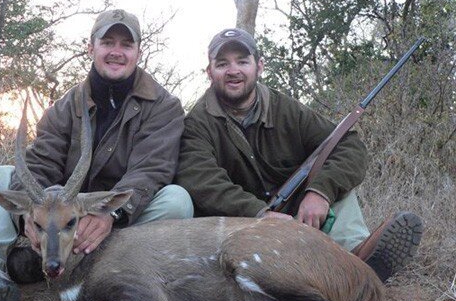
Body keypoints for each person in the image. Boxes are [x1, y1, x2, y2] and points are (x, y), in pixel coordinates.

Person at [0, 9, 194, 301]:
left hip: (115, 224)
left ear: (138, 51)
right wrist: (33, 212)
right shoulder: (64, 106)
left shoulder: (164, 106)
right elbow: (40, 163)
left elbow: (151, 169)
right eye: (108, 42)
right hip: (57, 216)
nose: (116, 52)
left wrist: (113, 213)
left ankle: (94, 272)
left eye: (126, 44)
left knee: (176, 200)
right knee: (0, 177)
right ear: (90, 47)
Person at [176, 27, 423, 282]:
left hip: (297, 219)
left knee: (339, 189)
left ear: (259, 66)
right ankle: (337, 275)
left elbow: (348, 145)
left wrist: (320, 192)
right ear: (209, 72)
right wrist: (261, 215)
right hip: (241, 226)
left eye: (242, 61)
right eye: (222, 63)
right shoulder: (197, 123)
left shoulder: (287, 109)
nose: (233, 70)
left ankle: (359, 263)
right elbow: (201, 181)